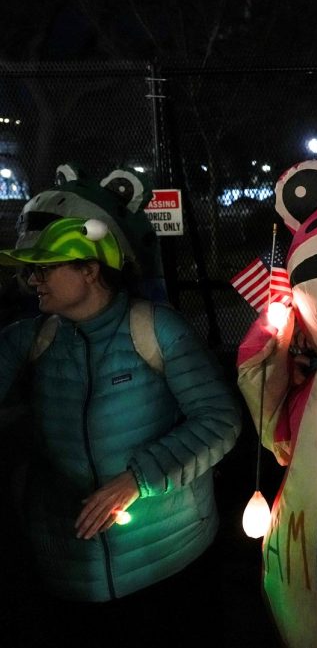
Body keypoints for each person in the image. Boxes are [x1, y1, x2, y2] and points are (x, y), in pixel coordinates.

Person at [0, 217, 241, 648]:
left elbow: (219, 419)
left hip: (165, 558)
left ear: (89, 270)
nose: (32, 281)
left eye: (45, 269)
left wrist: (138, 479)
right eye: (28, 271)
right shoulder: (28, 340)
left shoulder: (157, 329)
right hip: (66, 566)